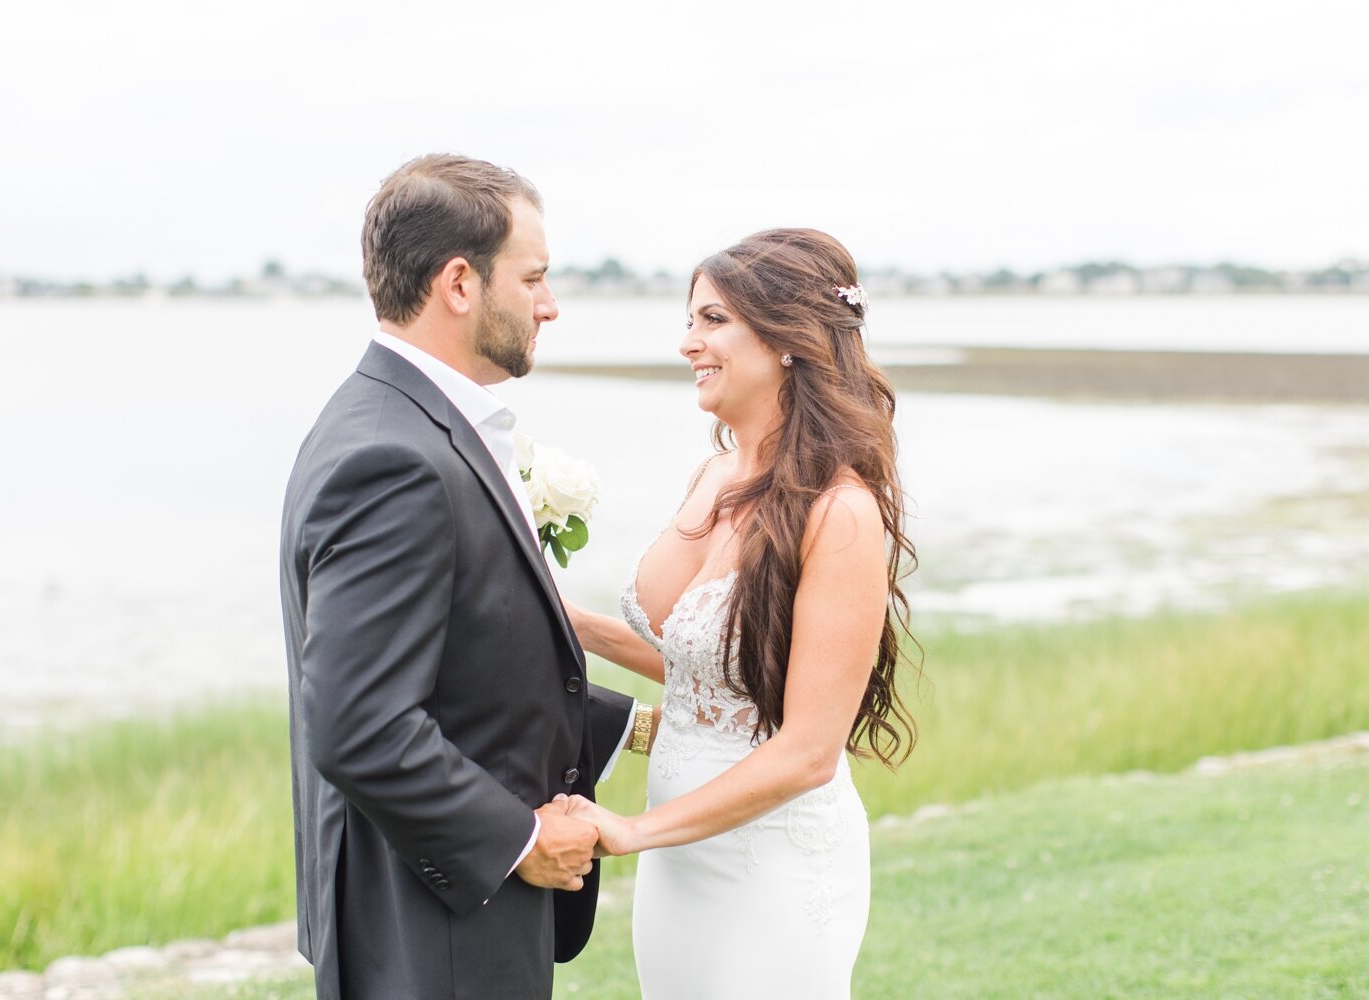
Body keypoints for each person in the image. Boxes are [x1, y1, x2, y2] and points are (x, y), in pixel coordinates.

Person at [278, 154, 647, 1000]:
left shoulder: (396, 419)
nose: (550, 305)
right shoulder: (391, 458)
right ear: (458, 283)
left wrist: (627, 726)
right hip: (428, 933)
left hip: (435, 917)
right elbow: (359, 724)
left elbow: (457, 665)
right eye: (535, 278)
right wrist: (521, 839)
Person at [565, 229, 917, 999]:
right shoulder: (712, 472)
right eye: (691, 321)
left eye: (712, 320)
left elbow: (807, 751)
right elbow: (713, 667)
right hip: (679, 861)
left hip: (773, 863)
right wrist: (571, 624)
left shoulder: (840, 513)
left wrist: (628, 833)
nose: (688, 343)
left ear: (787, 338)